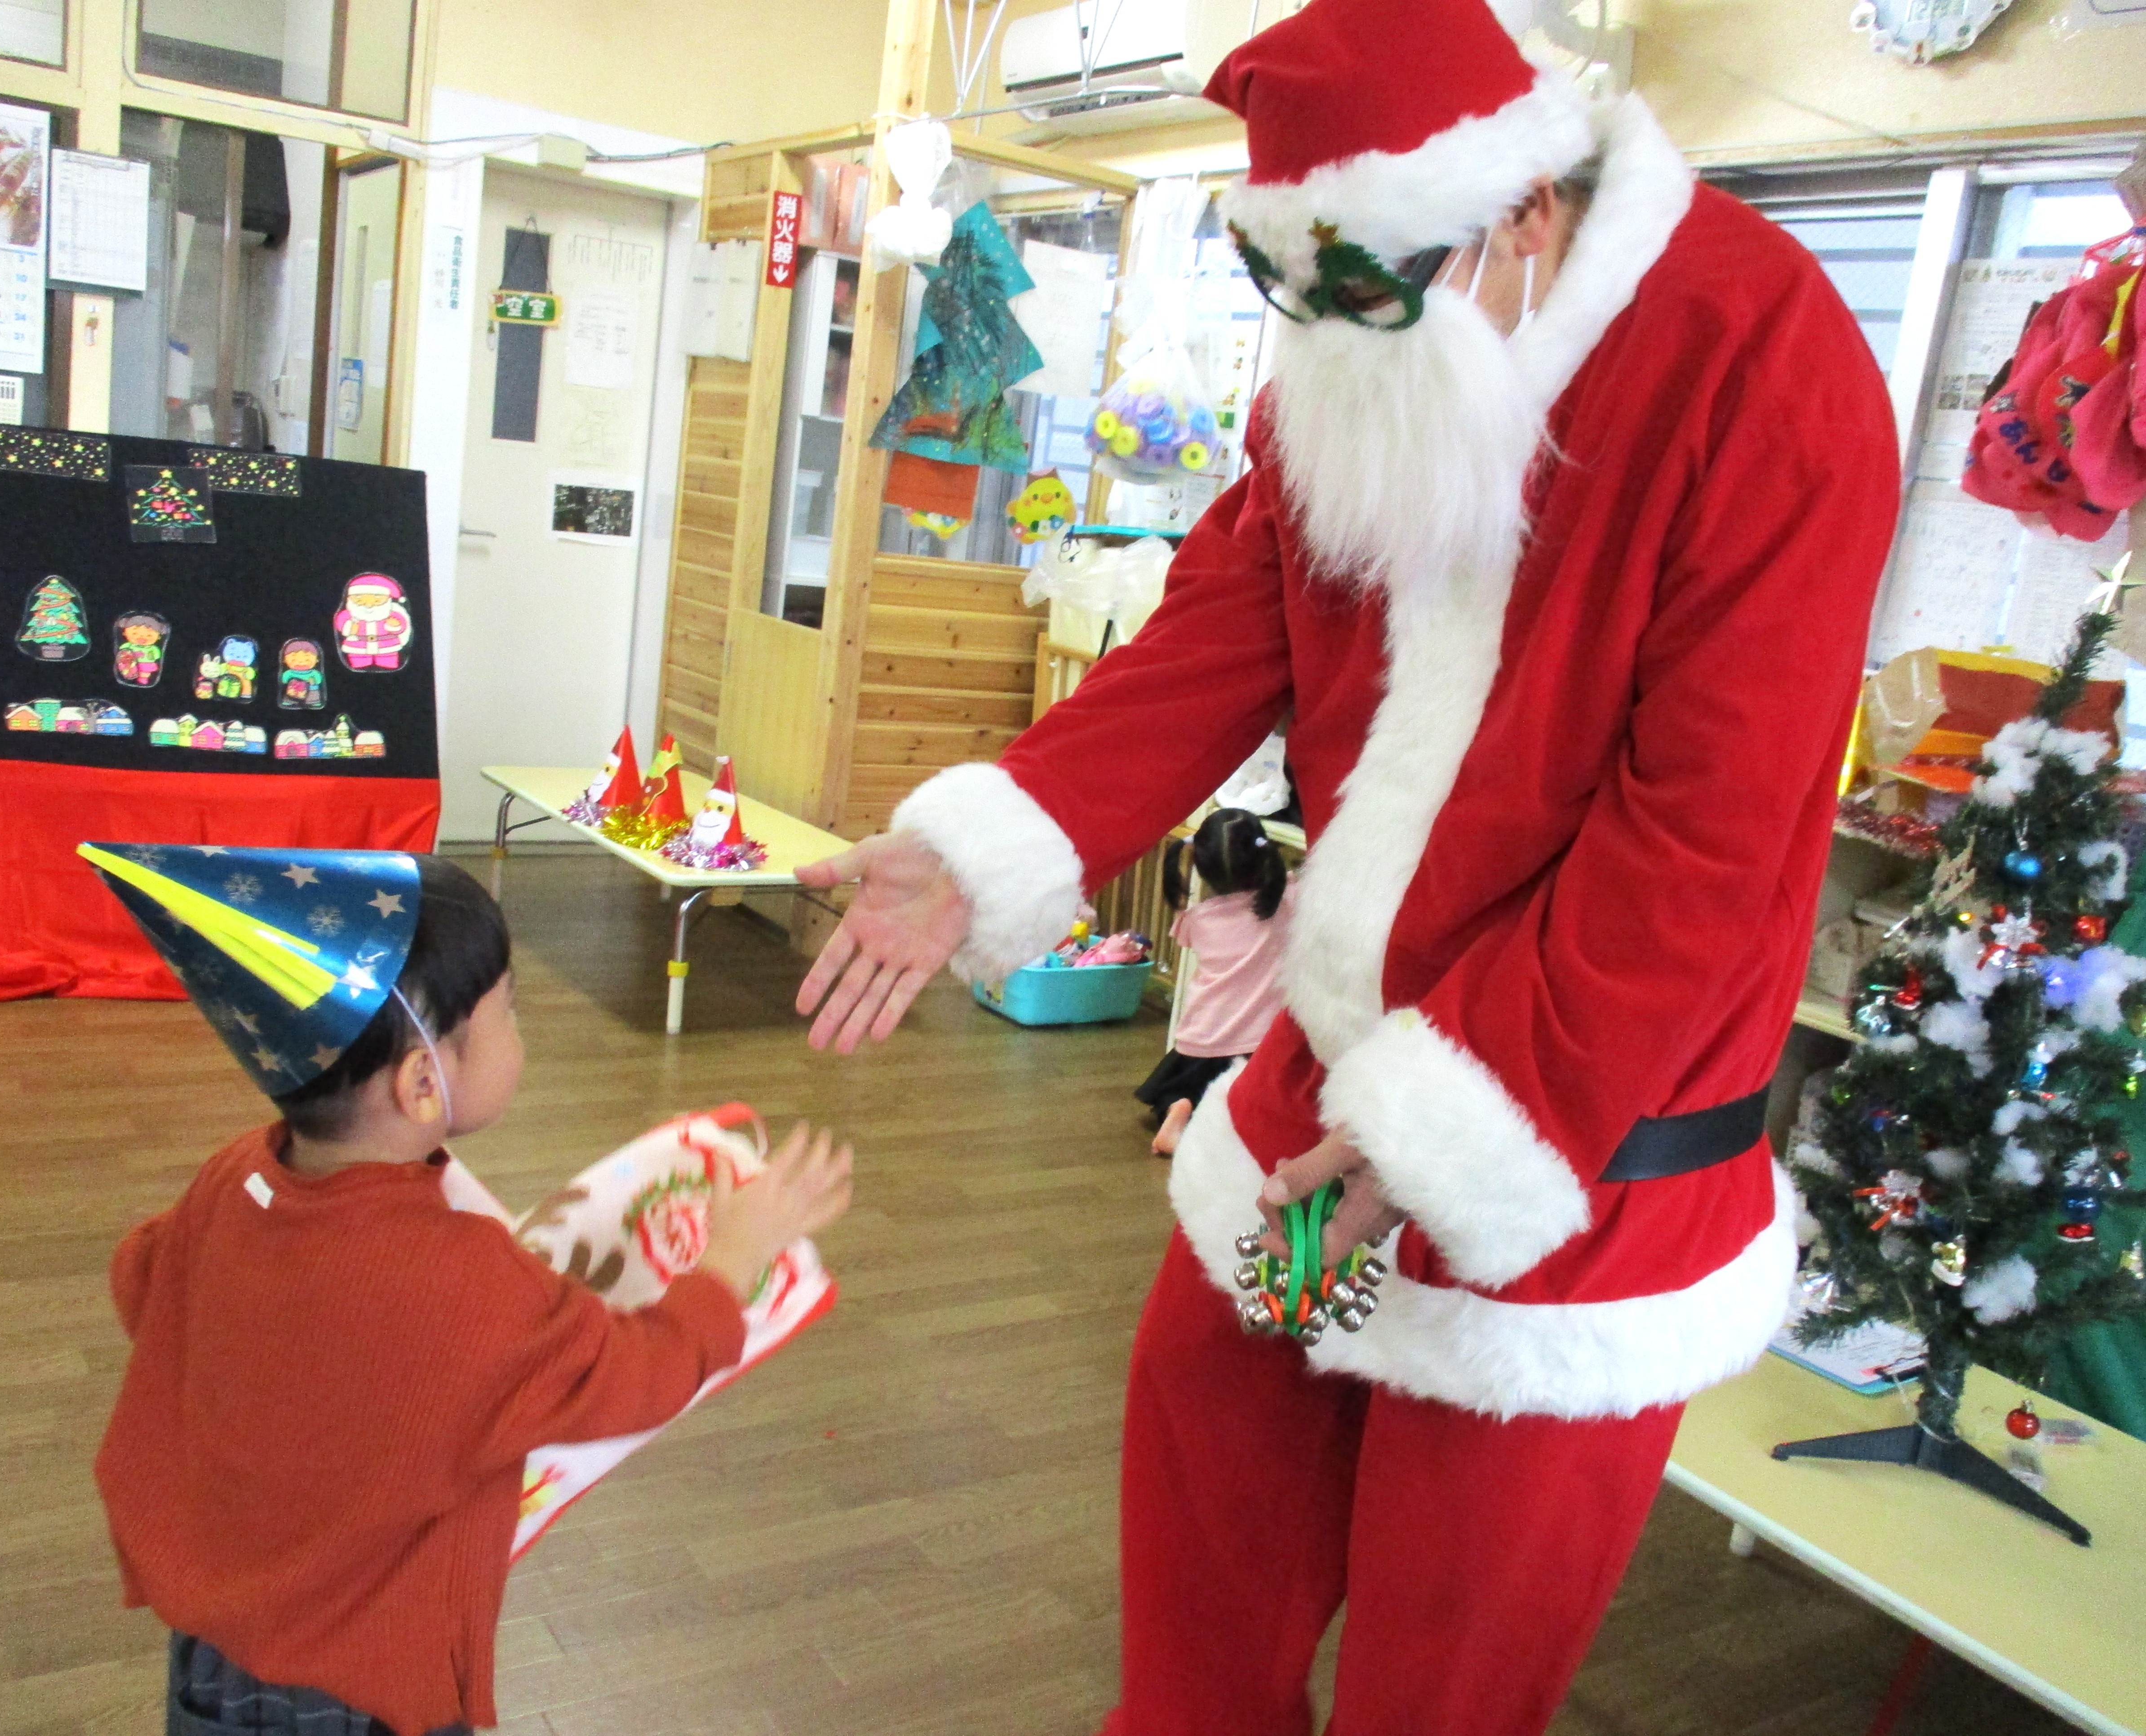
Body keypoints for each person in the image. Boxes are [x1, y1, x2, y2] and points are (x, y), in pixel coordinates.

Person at [794, 0, 1902, 1730]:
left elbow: (1707, 833)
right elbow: (1224, 616)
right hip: (1327, 1111)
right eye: (1281, 291)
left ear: (1519, 209)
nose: (1318, 340)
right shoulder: (1362, 333)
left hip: (1570, 1147)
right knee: (1209, 1526)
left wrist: (1441, 1126)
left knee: (1440, 1664)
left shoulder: (1758, 361)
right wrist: (1004, 834)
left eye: (1359, 291)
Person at [79, 844, 852, 1736]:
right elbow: (634, 1375)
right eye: (508, 1012)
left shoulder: (234, 1174)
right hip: (361, 1681)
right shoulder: (465, 1285)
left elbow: (142, 1279)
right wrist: (733, 1254)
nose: (521, 1032)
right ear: (421, 1081)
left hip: (213, 1655)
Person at [1137, 807, 1292, 1156]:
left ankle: (1177, 1109)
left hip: (1204, 1036)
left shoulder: (1196, 919)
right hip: (1259, 1044)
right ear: (1265, 855)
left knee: (1177, 1088)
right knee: (1257, 1098)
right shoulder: (1287, 904)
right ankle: (1230, 1124)